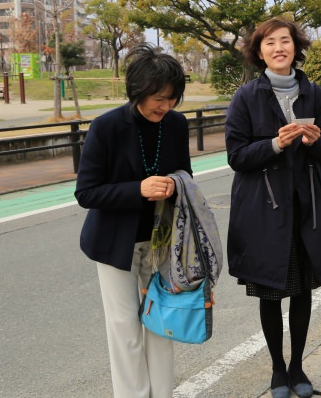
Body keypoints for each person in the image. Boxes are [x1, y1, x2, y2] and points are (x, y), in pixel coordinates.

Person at [224, 18, 321, 398]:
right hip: (264, 210)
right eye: (270, 43)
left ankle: (298, 366)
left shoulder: (314, 94)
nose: (279, 48)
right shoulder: (246, 96)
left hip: (305, 207)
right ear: (259, 52)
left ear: (296, 46)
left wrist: (312, 142)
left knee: (304, 290)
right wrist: (274, 144)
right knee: (271, 293)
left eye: (285, 41)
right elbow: (236, 156)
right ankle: (277, 369)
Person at [75, 44, 192, 397]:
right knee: (125, 327)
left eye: (172, 98)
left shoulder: (176, 124)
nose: (165, 106)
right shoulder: (106, 127)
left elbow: (185, 173)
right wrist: (138, 189)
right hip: (114, 243)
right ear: (137, 91)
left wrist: (174, 183)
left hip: (161, 240)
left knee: (161, 322)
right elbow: (87, 193)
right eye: (158, 97)